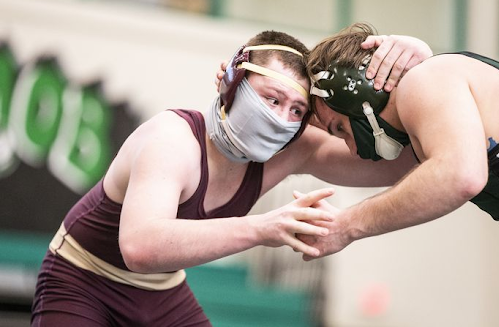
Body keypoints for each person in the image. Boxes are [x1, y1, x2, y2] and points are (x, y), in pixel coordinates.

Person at [31, 28, 431, 326]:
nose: (281, 118)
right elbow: (139, 247)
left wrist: (419, 74)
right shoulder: (171, 138)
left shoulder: (295, 148)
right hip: (83, 277)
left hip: (160, 290)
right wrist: (262, 228)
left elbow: (405, 161)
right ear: (231, 83)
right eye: (272, 99)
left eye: (296, 110)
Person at [297, 22, 499, 261]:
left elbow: (460, 176)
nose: (354, 149)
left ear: (360, 92)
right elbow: (318, 155)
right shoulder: (426, 131)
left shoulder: (425, 79)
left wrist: (347, 226)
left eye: (340, 128)